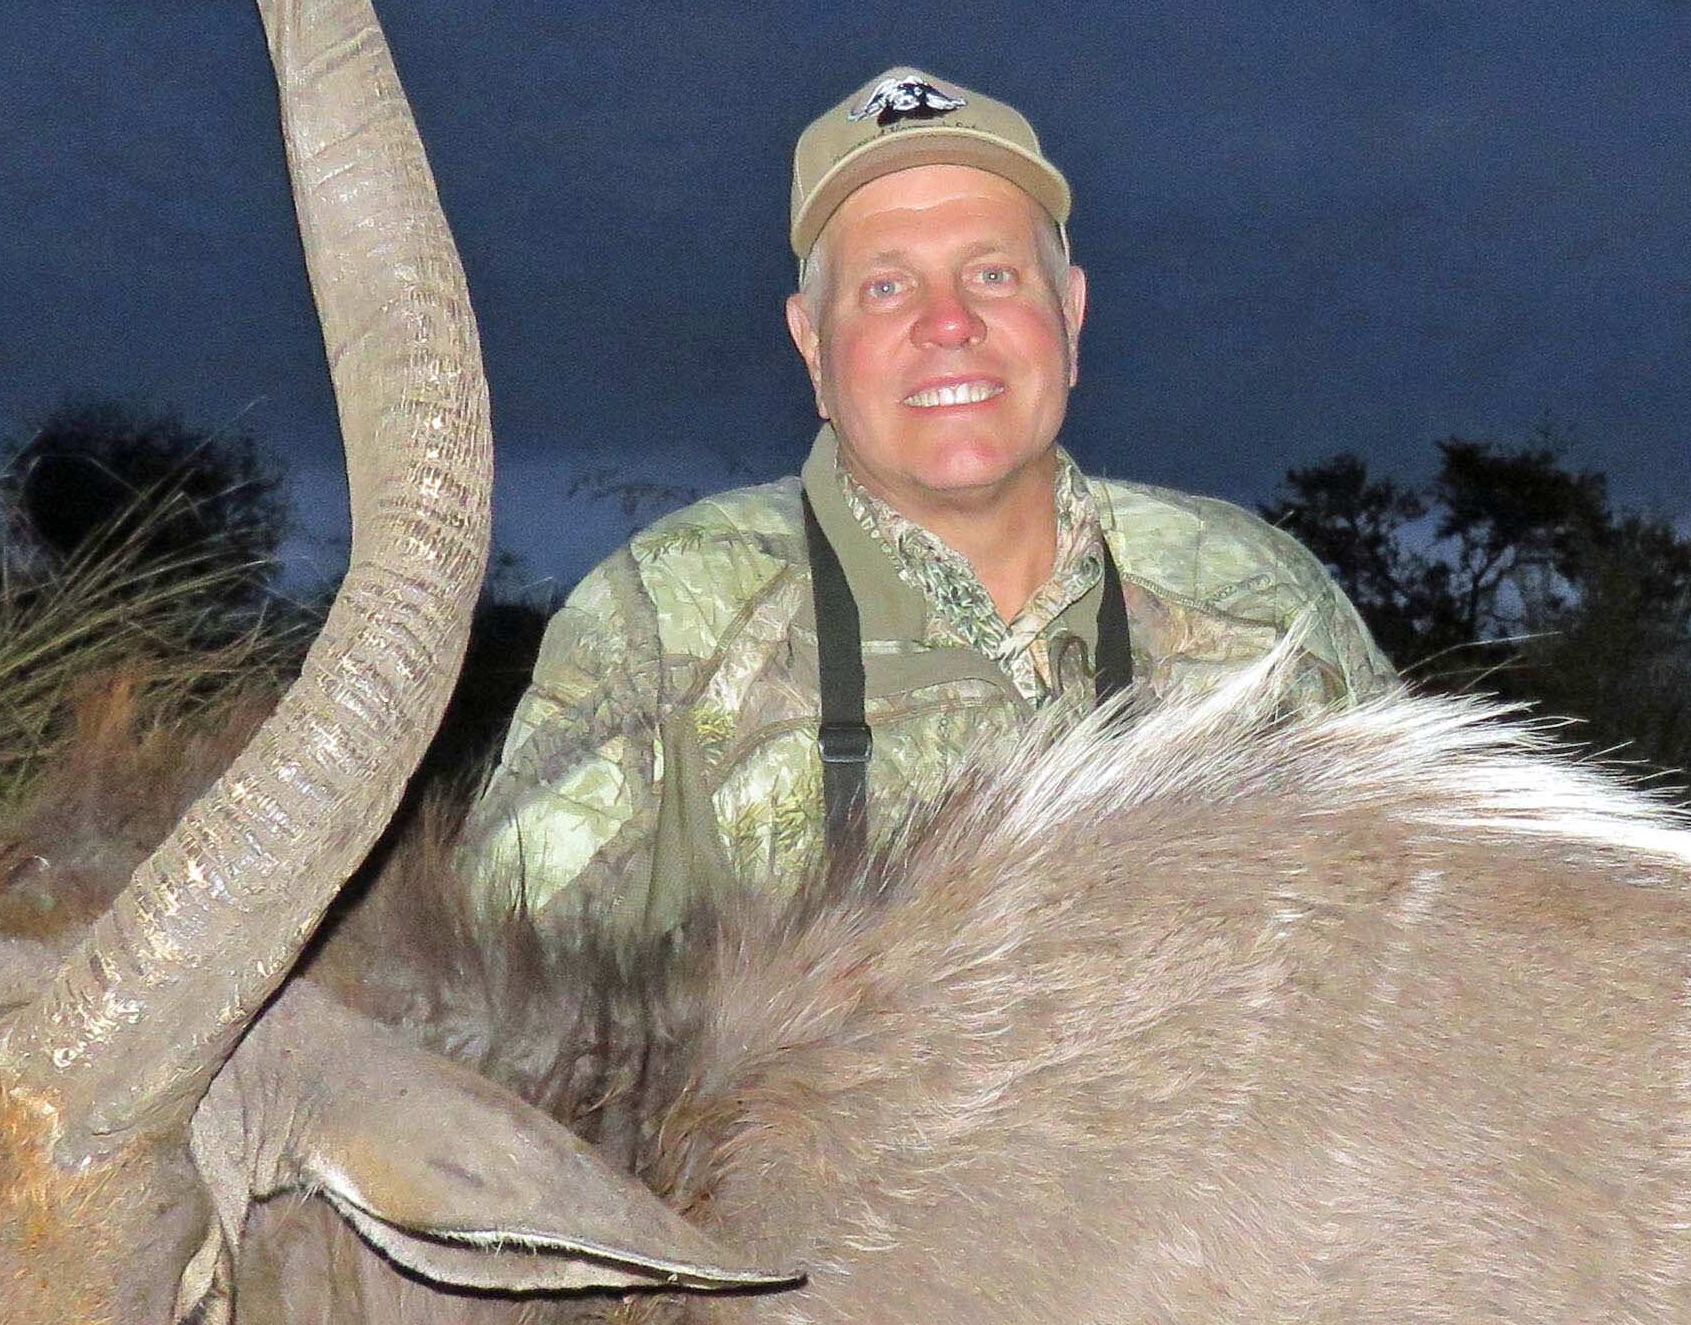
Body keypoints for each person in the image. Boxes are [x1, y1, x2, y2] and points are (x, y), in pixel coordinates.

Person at [463, 65, 1391, 944]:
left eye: (993, 275)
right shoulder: (664, 612)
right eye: (887, 286)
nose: (949, 323)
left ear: (1069, 318)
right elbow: (484, 1031)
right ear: (813, 348)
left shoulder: (1264, 599)